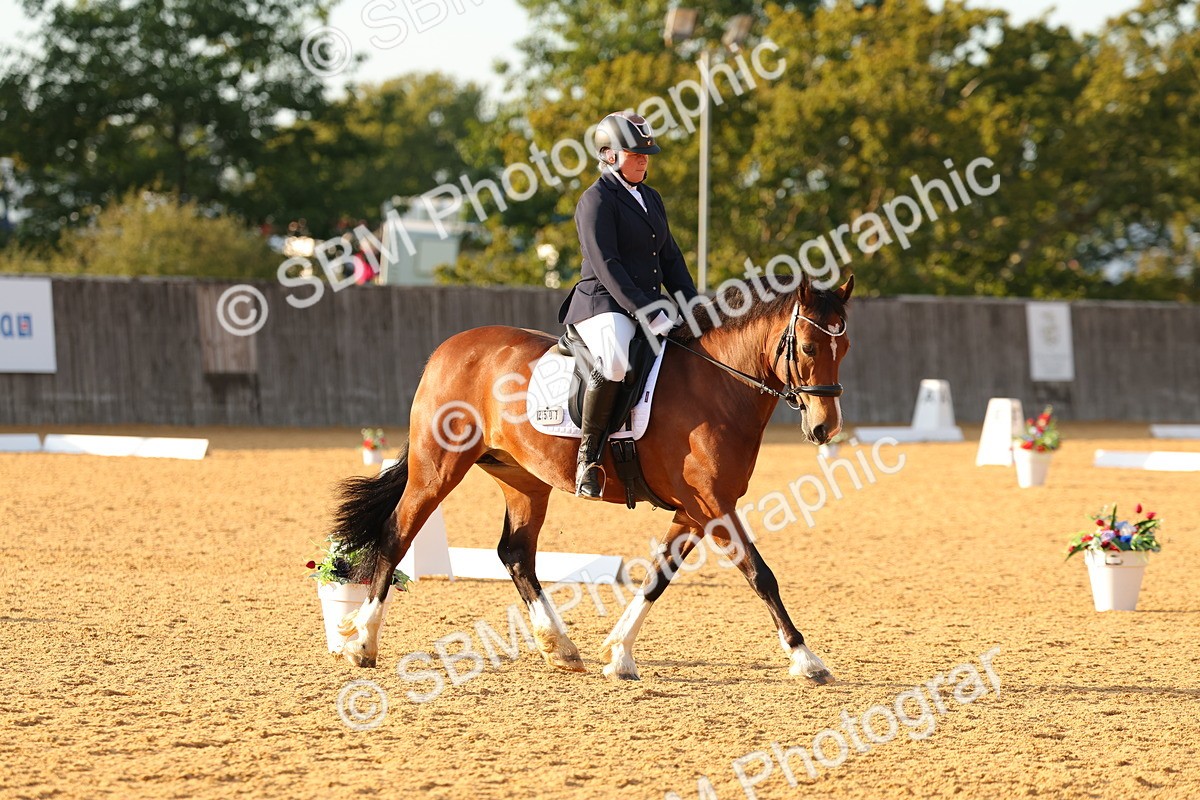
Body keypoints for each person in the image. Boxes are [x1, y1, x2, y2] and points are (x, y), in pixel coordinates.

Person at [558, 111, 700, 499]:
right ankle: (588, 457)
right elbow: (607, 265)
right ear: (608, 155)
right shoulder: (595, 200)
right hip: (602, 305)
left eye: (646, 154)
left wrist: (693, 305)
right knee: (616, 361)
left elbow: (670, 258)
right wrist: (644, 309)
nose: (643, 159)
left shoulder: (651, 198)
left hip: (647, 303)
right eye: (635, 153)